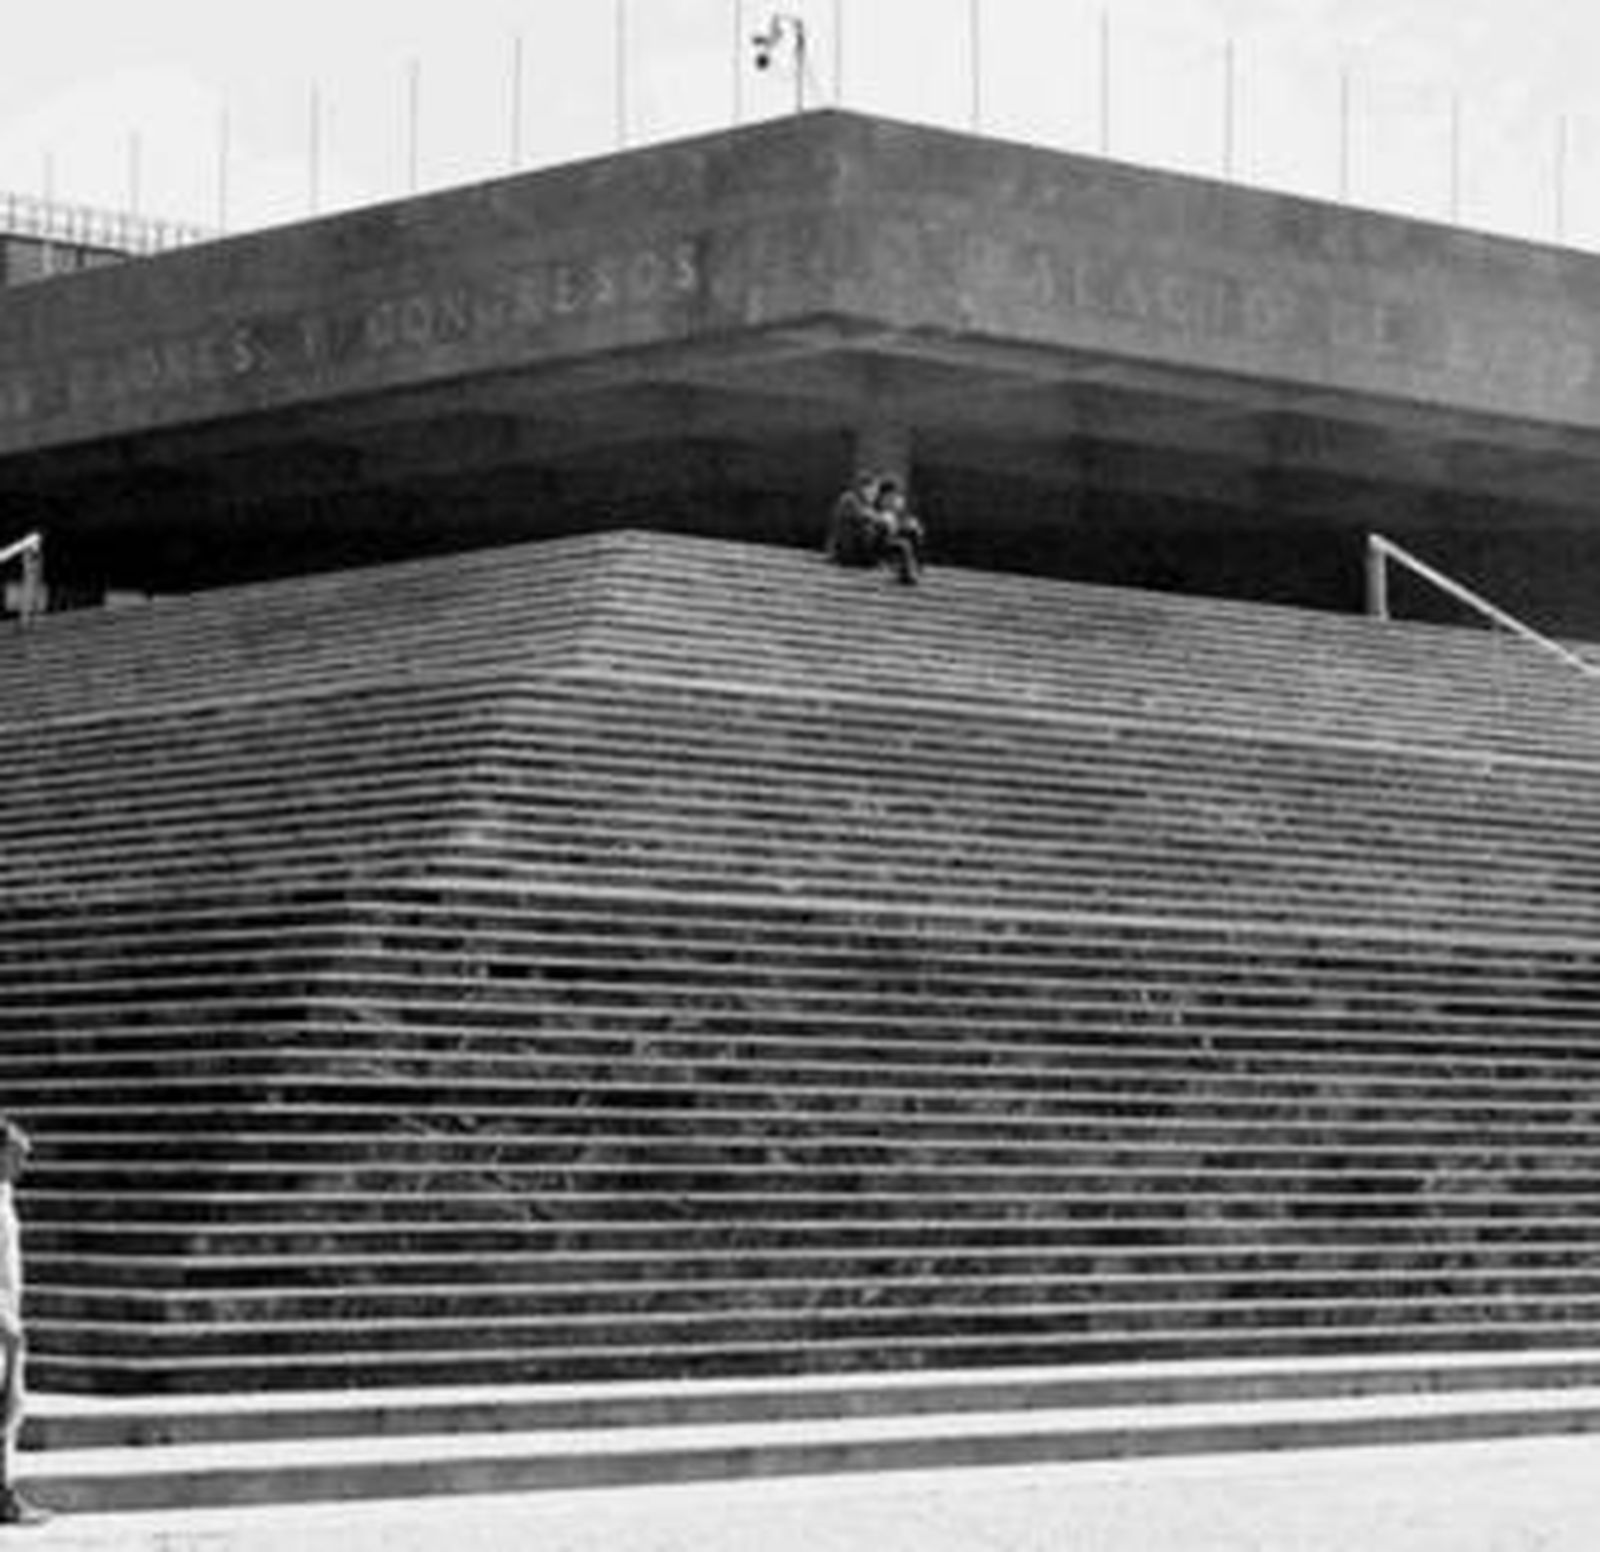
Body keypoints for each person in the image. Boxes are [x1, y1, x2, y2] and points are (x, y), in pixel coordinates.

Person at [0, 1119, 45, 1527]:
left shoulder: (5, 1194)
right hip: (0, 1321)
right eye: (17, 1154)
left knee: (11, 1408)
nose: (24, 1162)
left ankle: (4, 1492)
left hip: (8, 1312)